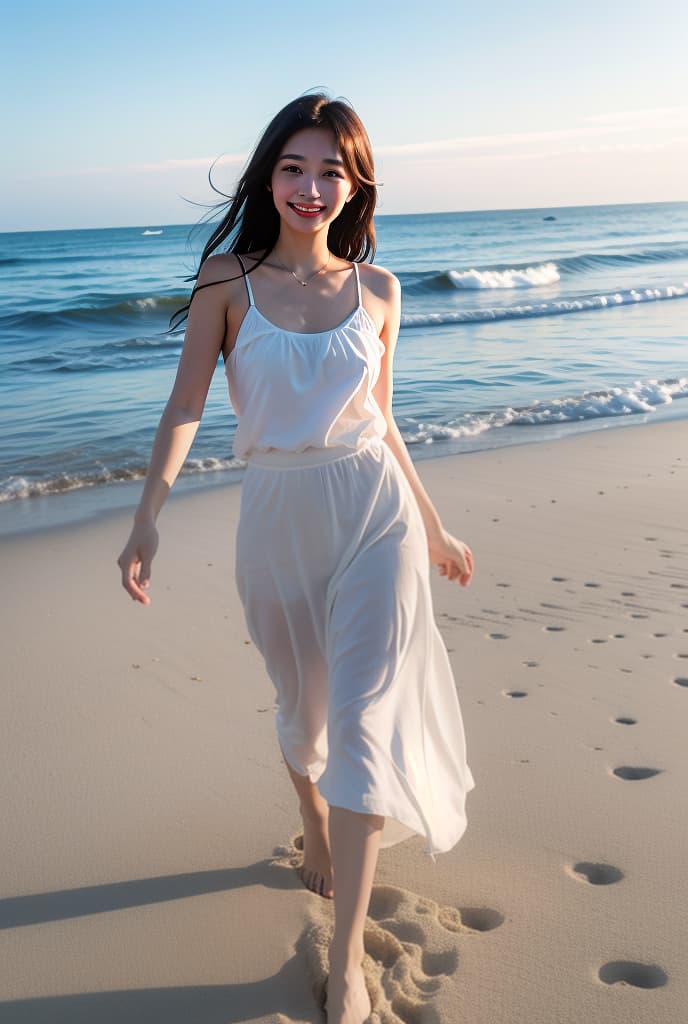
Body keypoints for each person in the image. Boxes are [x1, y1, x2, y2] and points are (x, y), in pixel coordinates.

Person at [117, 91, 475, 1024]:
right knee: (304, 713)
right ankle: (313, 819)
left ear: (353, 184)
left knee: (360, 727)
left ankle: (349, 961)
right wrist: (146, 515)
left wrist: (432, 526)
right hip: (275, 518)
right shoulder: (226, 282)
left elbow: (384, 423)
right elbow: (186, 405)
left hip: (373, 515)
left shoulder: (380, 291)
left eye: (331, 171)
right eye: (293, 167)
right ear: (268, 175)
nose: (311, 188)